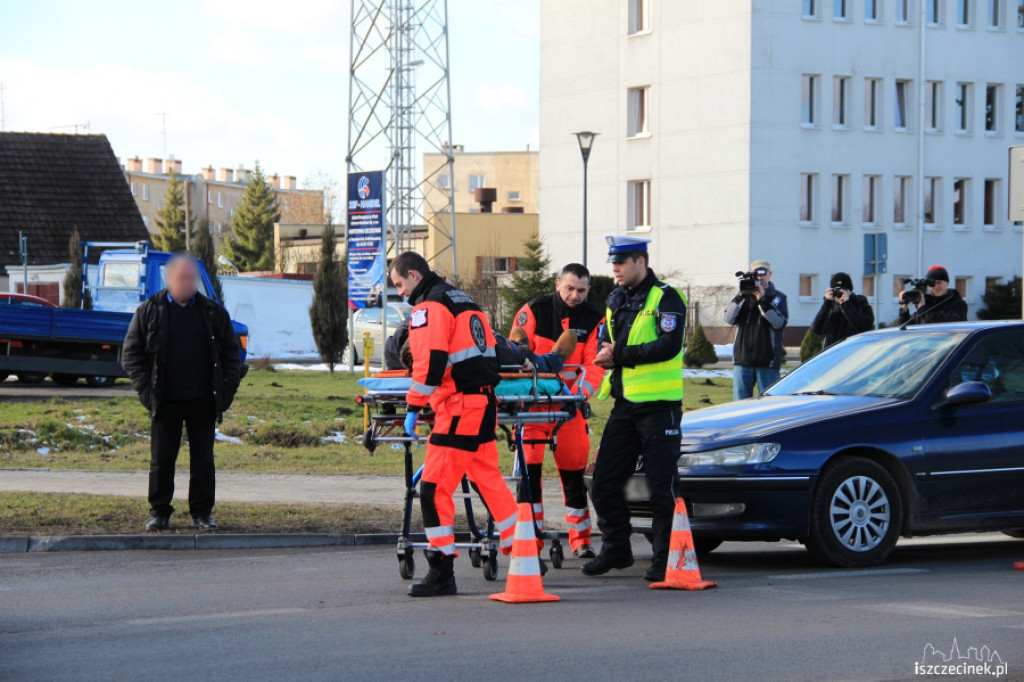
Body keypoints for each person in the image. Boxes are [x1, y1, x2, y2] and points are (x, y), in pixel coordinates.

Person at [390, 251, 520, 598]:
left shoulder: (429, 307)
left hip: (459, 407)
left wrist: (414, 406)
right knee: (488, 479)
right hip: (484, 402)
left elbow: (429, 362)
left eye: (400, 284)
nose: (400, 292)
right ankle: (524, 550)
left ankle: (441, 570)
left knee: (433, 489)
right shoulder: (465, 301)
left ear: (413, 275)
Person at [583, 235, 686, 583]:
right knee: (604, 481)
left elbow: (669, 346)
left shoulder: (666, 297)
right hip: (625, 405)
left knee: (660, 486)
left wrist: (620, 355)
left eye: (621, 263)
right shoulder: (616, 298)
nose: (615, 269)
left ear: (640, 261)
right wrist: (604, 351)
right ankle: (617, 549)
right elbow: (607, 340)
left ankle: (665, 558)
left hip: (660, 407)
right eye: (613, 263)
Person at [122, 253, 241, 532]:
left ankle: (202, 513)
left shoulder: (213, 313)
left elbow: (231, 355)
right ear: (169, 279)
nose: (188, 283)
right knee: (162, 461)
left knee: (203, 460)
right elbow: (131, 355)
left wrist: (225, 392)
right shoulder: (149, 311)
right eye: (182, 278)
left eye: (192, 278)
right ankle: (159, 512)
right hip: (165, 400)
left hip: (204, 400)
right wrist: (146, 392)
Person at [509, 263, 606, 559]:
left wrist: (577, 395)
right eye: (570, 288)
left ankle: (581, 540)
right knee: (529, 478)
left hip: (569, 408)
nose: (575, 295)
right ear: (557, 284)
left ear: (588, 290)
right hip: (532, 407)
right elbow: (516, 354)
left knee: (574, 476)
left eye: (581, 290)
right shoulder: (534, 311)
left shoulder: (595, 318)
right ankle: (530, 540)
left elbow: (593, 365)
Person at [725, 259, 788, 400]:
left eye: (762, 273)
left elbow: (778, 323)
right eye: (755, 274)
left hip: (767, 362)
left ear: (770, 274)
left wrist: (762, 300)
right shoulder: (743, 298)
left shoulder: (778, 297)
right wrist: (741, 295)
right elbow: (729, 318)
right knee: (740, 406)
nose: (759, 277)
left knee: (769, 405)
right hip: (742, 361)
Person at [810, 272, 875, 348]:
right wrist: (826, 303)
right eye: (836, 290)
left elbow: (866, 327)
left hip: (855, 350)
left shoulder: (860, 303)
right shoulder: (830, 306)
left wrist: (846, 304)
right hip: (833, 352)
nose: (840, 293)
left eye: (843, 290)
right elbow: (817, 329)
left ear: (850, 291)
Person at [898, 265, 968, 325]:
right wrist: (904, 306)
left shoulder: (958, 304)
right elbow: (906, 328)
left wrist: (922, 308)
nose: (936, 286)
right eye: (932, 284)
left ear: (947, 283)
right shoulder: (927, 302)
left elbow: (942, 325)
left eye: (939, 283)